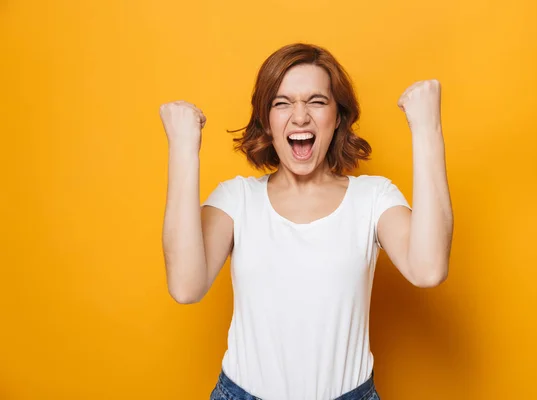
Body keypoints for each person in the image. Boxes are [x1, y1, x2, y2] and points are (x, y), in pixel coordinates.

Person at [159, 43, 453, 400]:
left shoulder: (373, 198)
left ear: (338, 117)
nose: (300, 117)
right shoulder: (237, 199)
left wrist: (427, 129)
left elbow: (429, 269)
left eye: (316, 101)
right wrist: (183, 147)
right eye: (282, 103)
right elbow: (186, 286)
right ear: (266, 121)